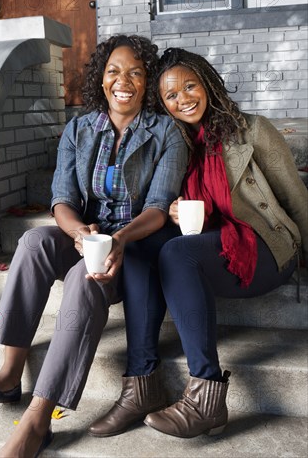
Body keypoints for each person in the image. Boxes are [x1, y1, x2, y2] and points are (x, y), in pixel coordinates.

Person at [0, 36, 188, 457]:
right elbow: (62, 200)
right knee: (33, 240)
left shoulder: (166, 133)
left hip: (133, 247)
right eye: (114, 72)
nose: (124, 81)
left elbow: (159, 208)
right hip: (87, 235)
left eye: (136, 73)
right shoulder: (79, 129)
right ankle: (11, 372)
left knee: (83, 280)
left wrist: (117, 240)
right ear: (101, 79)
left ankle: (37, 420)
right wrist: (79, 235)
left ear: (148, 81)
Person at [89, 47, 308, 439]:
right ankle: (144, 383)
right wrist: (172, 208)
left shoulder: (252, 131)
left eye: (190, 86)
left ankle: (204, 395)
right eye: (171, 95)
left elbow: (296, 200)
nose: (183, 98)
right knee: (146, 247)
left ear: (206, 83)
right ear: (163, 104)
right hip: (212, 246)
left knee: (175, 251)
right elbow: (153, 204)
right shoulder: (175, 144)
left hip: (265, 249)